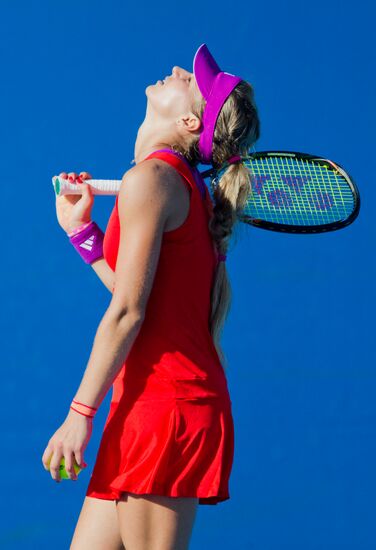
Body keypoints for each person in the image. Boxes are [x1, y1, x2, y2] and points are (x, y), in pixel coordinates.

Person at [44, 43, 260, 550]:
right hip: (146, 405)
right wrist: (84, 237)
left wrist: (79, 415)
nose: (179, 70)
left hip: (166, 411)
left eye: (191, 80)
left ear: (190, 121)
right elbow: (142, 293)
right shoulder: (170, 183)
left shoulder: (154, 180)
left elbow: (127, 313)